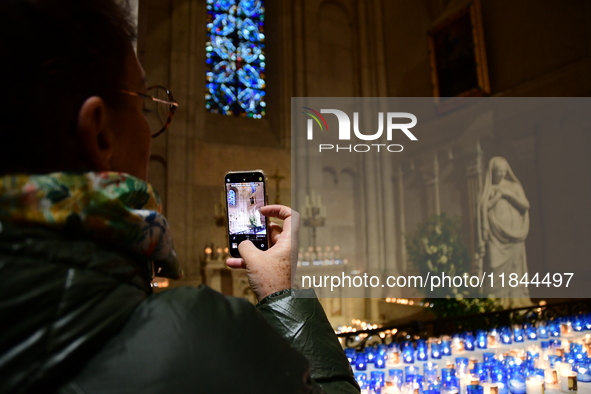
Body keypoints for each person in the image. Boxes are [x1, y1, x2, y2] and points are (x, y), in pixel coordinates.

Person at [0, 0, 359, 393]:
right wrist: (282, 294)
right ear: (100, 132)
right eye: (143, 102)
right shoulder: (200, 341)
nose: (150, 125)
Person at [477, 156, 531, 307]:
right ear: (492, 172)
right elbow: (483, 209)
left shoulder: (514, 187)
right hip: (496, 235)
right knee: (494, 266)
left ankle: (516, 301)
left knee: (515, 268)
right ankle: (496, 303)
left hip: (515, 235)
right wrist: (497, 197)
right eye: (497, 171)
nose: (500, 174)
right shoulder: (488, 189)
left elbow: (526, 205)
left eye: (503, 171)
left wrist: (507, 194)